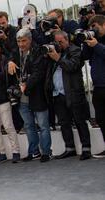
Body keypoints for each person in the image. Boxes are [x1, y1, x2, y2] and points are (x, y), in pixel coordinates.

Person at [45, 31, 92, 161]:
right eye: (56, 42)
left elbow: (73, 66)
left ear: (67, 40)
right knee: (64, 122)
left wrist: (58, 59)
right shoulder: (53, 53)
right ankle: (69, 148)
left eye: (61, 42)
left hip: (72, 92)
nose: (58, 44)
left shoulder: (75, 50)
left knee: (79, 121)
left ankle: (86, 148)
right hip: (57, 93)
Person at [14, 28, 52, 163]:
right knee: (29, 125)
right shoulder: (16, 53)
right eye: (18, 41)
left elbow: (38, 73)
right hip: (22, 96)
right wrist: (9, 62)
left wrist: (26, 85)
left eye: (23, 41)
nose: (21, 44)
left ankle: (46, 152)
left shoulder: (38, 52)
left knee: (43, 125)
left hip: (37, 93)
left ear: (30, 39)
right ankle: (33, 151)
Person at [0, 11, 25, 133]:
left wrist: (5, 39)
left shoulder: (15, 31)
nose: (1, 26)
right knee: (10, 98)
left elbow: (17, 49)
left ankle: (22, 124)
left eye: (3, 23)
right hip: (4, 68)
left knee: (18, 96)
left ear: (7, 21)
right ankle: (16, 125)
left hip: (16, 65)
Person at [82, 15, 105, 158]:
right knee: (101, 119)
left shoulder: (98, 43)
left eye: (95, 26)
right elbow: (84, 57)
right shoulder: (92, 41)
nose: (93, 30)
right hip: (98, 85)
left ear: (103, 25)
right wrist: (85, 42)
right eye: (91, 28)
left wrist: (96, 45)